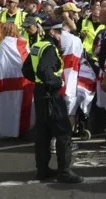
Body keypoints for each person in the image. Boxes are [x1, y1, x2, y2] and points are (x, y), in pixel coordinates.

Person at [21, 19, 82, 184]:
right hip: (51, 95)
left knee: (43, 133)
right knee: (64, 133)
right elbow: (44, 71)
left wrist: (39, 82)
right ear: (53, 32)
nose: (61, 36)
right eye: (59, 32)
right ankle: (64, 171)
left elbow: (26, 69)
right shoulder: (49, 48)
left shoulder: (37, 46)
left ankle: (42, 170)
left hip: (40, 93)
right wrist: (57, 82)